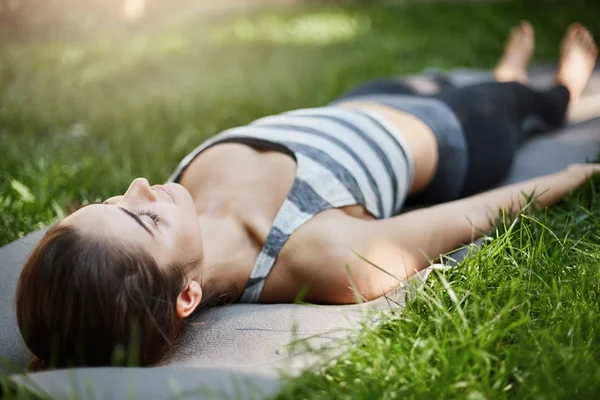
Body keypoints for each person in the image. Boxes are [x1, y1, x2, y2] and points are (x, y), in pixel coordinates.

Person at [15, 22, 599, 368]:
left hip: (352, 105)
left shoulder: (175, 215)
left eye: (112, 200)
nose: (140, 187)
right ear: (186, 295)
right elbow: (466, 216)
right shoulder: (316, 254)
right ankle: (555, 88)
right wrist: (571, 176)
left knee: (442, 78)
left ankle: (503, 74)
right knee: (531, 104)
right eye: (142, 220)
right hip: (452, 134)